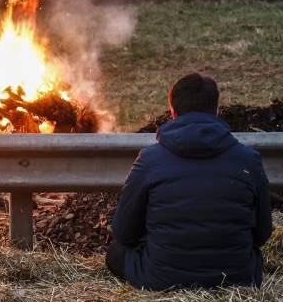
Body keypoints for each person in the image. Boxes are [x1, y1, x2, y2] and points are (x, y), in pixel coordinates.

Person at [107, 73, 271, 290]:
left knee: (114, 253)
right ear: (216, 111)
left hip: (161, 279)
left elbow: (123, 232)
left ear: (173, 113)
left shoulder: (149, 160)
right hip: (236, 279)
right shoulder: (249, 160)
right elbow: (262, 234)